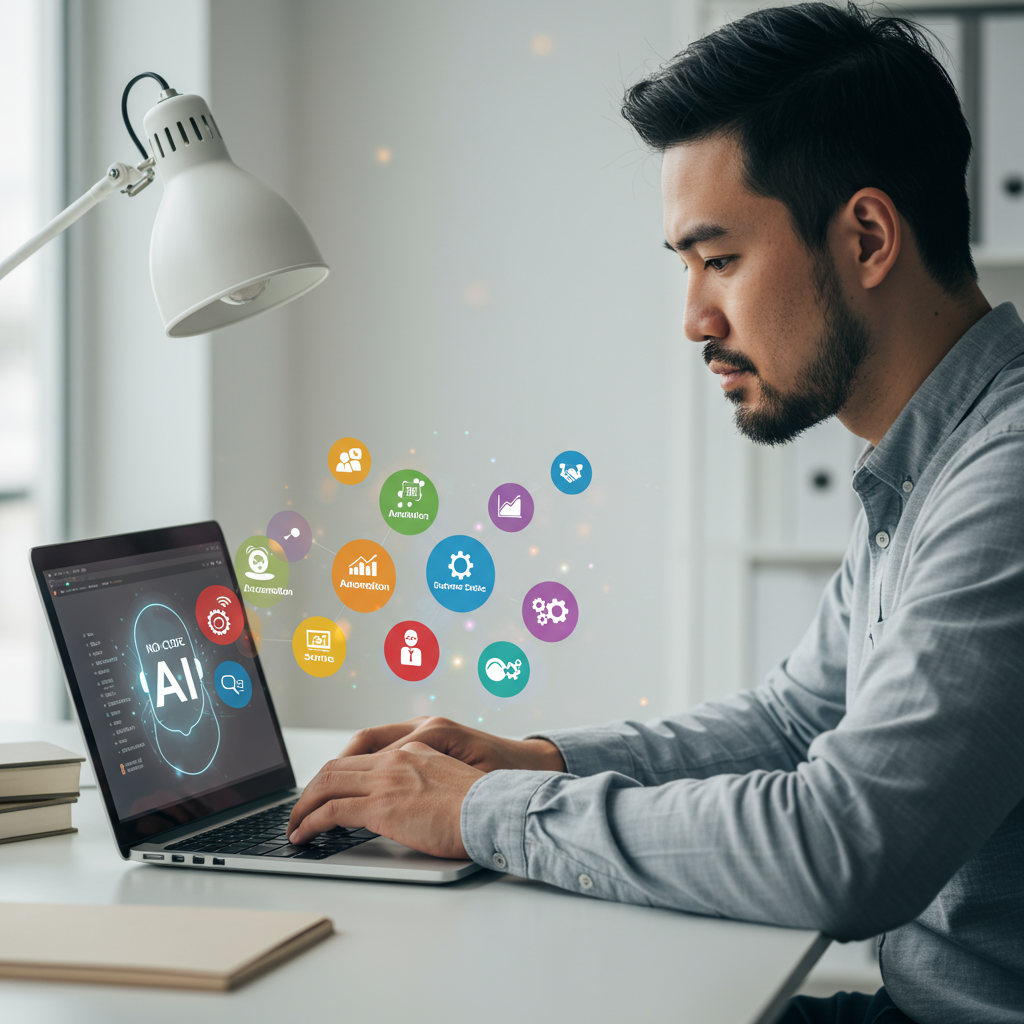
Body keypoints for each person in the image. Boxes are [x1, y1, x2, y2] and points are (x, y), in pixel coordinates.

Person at [288, 5, 1024, 1021]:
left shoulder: (1004, 479)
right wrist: (534, 760)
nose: (693, 319)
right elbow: (794, 720)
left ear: (865, 236)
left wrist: (483, 813)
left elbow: (847, 847)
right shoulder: (926, 460)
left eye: (717, 259)